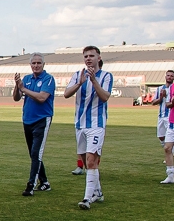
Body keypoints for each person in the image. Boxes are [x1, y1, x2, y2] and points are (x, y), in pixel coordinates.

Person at [63, 46, 113, 210]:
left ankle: (87, 198)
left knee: (92, 160)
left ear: (99, 58)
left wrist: (93, 81)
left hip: (96, 124)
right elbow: (66, 94)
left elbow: (105, 97)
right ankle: (98, 192)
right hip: (80, 124)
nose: (88, 58)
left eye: (92, 55)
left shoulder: (106, 76)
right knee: (86, 162)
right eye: (86, 56)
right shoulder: (78, 74)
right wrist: (80, 83)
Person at [13, 53, 55, 196]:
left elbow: (42, 98)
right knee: (33, 153)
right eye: (34, 63)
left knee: (36, 153)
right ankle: (45, 182)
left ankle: (31, 185)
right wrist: (17, 86)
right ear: (30, 65)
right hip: (27, 119)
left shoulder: (48, 79)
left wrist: (24, 89)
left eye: (38, 63)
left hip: (42, 120)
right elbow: (16, 98)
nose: (36, 65)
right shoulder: (26, 79)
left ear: (43, 64)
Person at [151, 70, 174, 148]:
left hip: (171, 116)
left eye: (171, 76)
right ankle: (166, 147)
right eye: (168, 75)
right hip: (161, 115)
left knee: (170, 136)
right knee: (161, 136)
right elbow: (153, 102)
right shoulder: (159, 88)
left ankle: (170, 151)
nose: (169, 77)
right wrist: (161, 98)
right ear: (165, 77)